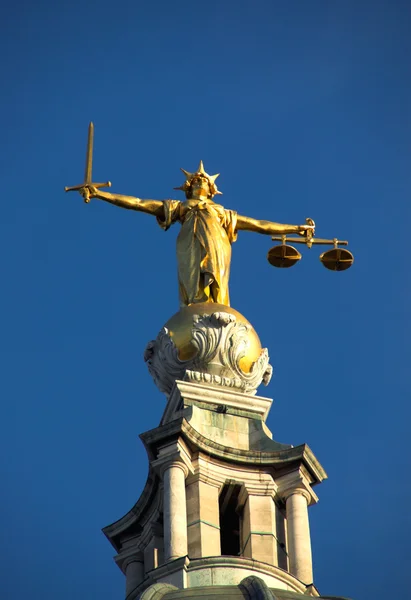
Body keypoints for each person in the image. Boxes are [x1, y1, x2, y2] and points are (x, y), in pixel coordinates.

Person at [78, 161, 313, 307]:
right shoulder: (181, 208)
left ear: (212, 190)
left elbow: (259, 224)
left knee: (218, 282)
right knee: (191, 284)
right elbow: (139, 203)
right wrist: (102, 195)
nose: (200, 180)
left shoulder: (221, 212)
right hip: (188, 243)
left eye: (203, 180)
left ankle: (217, 308)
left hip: (218, 244)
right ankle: (194, 307)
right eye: (195, 179)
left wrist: (295, 228)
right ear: (188, 187)